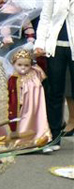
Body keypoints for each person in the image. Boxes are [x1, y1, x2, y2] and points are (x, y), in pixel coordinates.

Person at [34, 0, 74, 150]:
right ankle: (53, 137)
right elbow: (45, 17)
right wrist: (39, 43)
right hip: (54, 47)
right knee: (54, 92)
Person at [8, 48, 52, 146]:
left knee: (39, 122)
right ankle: (22, 142)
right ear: (13, 64)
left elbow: (42, 66)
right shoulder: (13, 79)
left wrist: (38, 54)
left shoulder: (36, 73)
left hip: (36, 106)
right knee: (23, 122)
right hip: (22, 107)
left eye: (26, 65)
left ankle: (40, 139)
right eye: (19, 65)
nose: (23, 68)